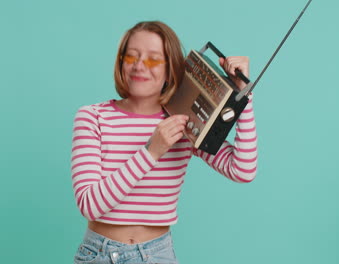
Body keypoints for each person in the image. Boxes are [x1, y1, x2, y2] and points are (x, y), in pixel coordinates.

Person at [70, 21, 257, 264]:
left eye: (153, 59)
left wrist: (243, 95)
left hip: (158, 255)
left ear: (171, 70)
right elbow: (90, 205)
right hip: (101, 254)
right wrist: (151, 152)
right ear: (120, 62)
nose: (139, 66)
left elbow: (242, 170)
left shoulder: (185, 121)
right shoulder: (93, 117)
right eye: (131, 57)